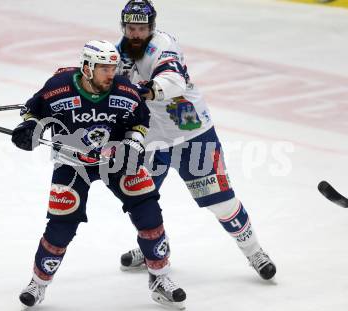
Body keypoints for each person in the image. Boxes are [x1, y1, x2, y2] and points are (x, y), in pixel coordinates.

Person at [11, 40, 186, 309]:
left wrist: (133, 143)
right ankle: (38, 283)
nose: (110, 74)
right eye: (104, 68)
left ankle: (160, 279)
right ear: (87, 67)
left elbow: (140, 120)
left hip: (115, 161)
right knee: (61, 226)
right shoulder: (58, 87)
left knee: (148, 211)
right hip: (72, 164)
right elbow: (34, 110)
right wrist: (29, 128)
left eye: (113, 68)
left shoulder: (125, 91)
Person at [116, 0, 277, 280]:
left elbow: (173, 81)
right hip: (151, 134)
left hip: (189, 128)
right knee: (140, 198)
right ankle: (152, 247)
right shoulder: (120, 51)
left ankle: (254, 252)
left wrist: (146, 90)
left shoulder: (162, 45)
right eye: (131, 28)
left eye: (142, 28)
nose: (136, 34)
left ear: (152, 28)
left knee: (221, 202)